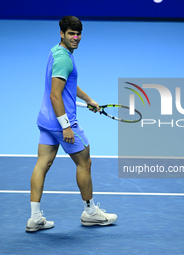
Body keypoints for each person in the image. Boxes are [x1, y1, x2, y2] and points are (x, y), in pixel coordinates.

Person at [26, 16, 117, 232]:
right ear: (61, 33)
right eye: (71, 34)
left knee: (42, 165)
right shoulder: (65, 59)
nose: (75, 38)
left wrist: (88, 100)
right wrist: (66, 126)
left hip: (45, 120)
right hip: (60, 122)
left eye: (78, 34)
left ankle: (35, 218)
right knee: (84, 162)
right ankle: (90, 212)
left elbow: (67, 85)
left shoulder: (56, 52)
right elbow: (56, 96)